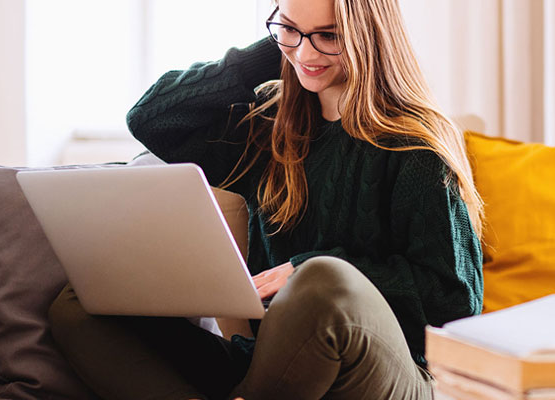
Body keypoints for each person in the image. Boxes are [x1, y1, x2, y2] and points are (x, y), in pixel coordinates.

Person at [46, 0, 484, 398]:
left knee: (322, 281)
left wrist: (303, 269)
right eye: (289, 30)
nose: (307, 55)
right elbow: (152, 118)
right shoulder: (267, 127)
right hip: (272, 365)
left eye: (328, 36)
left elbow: (455, 299)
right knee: (81, 304)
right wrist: (274, 51)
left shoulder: (416, 146)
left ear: (367, 34)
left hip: (387, 373)